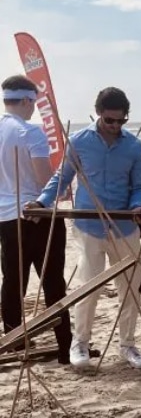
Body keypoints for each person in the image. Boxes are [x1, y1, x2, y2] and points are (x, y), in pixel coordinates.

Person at [32, 87, 141, 370]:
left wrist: (137, 206)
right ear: (98, 114)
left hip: (124, 226)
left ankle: (128, 345)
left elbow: (139, 187)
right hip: (88, 226)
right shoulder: (79, 141)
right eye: (110, 120)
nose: (115, 126)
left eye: (121, 121)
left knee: (130, 288)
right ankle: (80, 343)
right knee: (88, 288)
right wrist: (42, 202)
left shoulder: (134, 147)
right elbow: (62, 177)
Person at [0, 75, 72, 363]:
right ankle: (65, 346)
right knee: (53, 282)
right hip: (37, 215)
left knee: (13, 281)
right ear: (28, 100)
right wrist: (63, 189)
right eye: (33, 103)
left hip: (6, 217)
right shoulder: (30, 132)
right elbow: (45, 182)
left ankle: (12, 341)